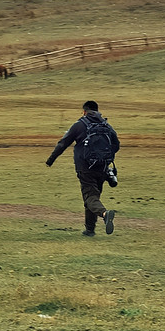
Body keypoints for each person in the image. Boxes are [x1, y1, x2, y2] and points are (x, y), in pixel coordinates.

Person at [45, 101, 120, 237]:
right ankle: (90, 230)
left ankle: (104, 214)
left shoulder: (80, 125)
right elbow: (116, 144)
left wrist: (51, 160)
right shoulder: (105, 125)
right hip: (103, 167)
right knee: (93, 197)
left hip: (85, 167)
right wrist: (106, 158)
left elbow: (63, 143)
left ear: (84, 111)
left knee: (90, 197)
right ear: (97, 111)